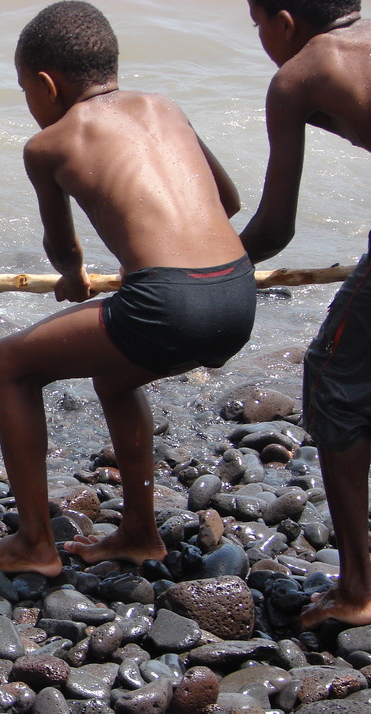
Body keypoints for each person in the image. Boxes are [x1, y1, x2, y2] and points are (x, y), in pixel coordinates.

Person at [0, 1, 255, 577]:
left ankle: (34, 543)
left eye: (26, 90)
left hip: (168, 305)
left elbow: (64, 250)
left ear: (47, 85)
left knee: (12, 363)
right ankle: (139, 533)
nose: (30, 104)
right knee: (115, 375)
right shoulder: (164, 108)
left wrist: (74, 280)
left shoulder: (49, 144)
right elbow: (227, 202)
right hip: (237, 294)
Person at [240, 0, 371, 629]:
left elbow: (273, 228)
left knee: (331, 379)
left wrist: (204, 265)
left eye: (258, 26)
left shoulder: (301, 75)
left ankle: (357, 591)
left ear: (284, 22)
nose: (263, 40)